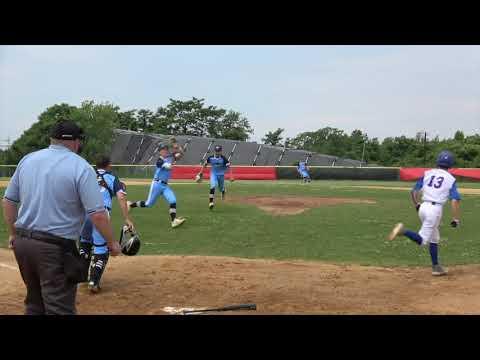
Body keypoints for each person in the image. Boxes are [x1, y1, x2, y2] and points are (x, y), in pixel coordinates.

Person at [2, 120, 120, 315]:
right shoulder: (81, 166)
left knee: (34, 305)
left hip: (23, 244)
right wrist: (111, 242)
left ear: (52, 139)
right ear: (75, 142)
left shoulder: (28, 159)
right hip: (53, 248)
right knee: (59, 309)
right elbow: (98, 214)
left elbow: (8, 201)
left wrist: (13, 234)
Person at [388, 150, 461, 276]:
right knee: (422, 240)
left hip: (423, 207)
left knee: (434, 238)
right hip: (435, 210)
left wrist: (417, 204)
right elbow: (455, 200)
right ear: (450, 165)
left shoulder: (427, 173)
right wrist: (455, 219)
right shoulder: (451, 179)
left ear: (438, 162)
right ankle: (402, 231)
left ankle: (436, 267)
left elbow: (414, 191)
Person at [79, 155, 135, 293]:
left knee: (85, 242)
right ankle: (94, 282)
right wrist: (127, 219)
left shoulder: (87, 174)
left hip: (83, 213)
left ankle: (80, 276)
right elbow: (121, 197)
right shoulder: (112, 178)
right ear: (109, 165)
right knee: (101, 248)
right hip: (100, 214)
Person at [128, 143, 186, 228]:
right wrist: (172, 161)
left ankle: (174, 221)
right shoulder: (159, 160)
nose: (165, 151)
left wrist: (178, 148)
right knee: (148, 204)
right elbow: (168, 167)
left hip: (165, 186)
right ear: (160, 152)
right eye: (163, 150)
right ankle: (130, 205)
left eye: (166, 149)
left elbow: (181, 154)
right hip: (157, 184)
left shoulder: (170, 156)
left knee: (173, 200)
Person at [196, 145, 231, 210]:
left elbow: (229, 166)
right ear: (214, 151)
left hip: (221, 175)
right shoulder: (210, 158)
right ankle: (211, 202)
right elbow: (205, 165)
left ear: (221, 151)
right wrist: (200, 173)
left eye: (218, 151)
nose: (217, 152)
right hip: (213, 174)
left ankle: (223, 191)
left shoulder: (224, 158)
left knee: (221, 188)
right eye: (216, 151)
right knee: (213, 186)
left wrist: (231, 176)